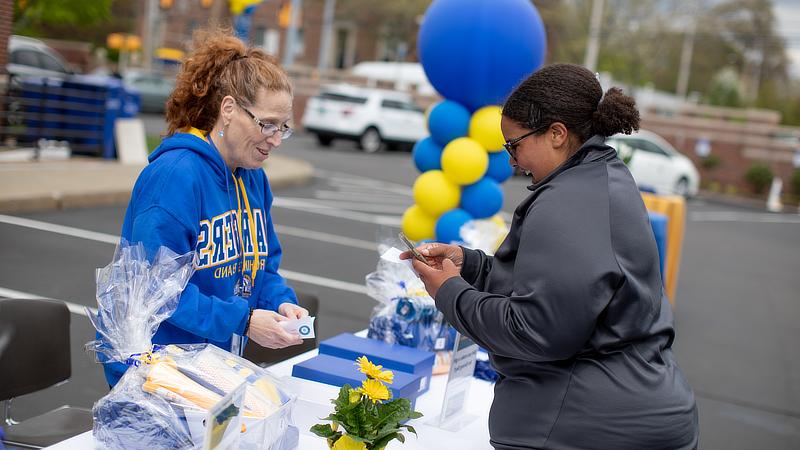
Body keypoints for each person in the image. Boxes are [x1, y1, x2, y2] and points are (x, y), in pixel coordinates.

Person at [402, 64, 699, 449]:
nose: (511, 160)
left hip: (591, 421)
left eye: (515, 144)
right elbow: (557, 286)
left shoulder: (569, 202)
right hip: (624, 406)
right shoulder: (599, 176)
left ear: (557, 134)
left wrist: (449, 293)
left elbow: (535, 330)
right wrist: (470, 265)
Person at [103, 28, 307, 387]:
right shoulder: (174, 176)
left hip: (215, 368)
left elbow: (264, 267)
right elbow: (151, 288)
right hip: (154, 374)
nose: (275, 139)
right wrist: (241, 321)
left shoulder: (253, 178)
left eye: (284, 127)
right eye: (267, 124)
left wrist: (280, 302)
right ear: (228, 109)